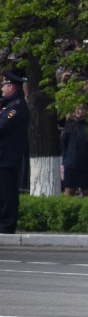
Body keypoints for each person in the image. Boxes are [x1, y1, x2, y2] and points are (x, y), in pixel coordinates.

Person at [0, 71, 29, 233]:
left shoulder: (16, 107)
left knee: (7, 193)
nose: (2, 89)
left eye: (4, 85)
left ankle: (6, 225)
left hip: (7, 156)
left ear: (11, 87)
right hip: (3, 156)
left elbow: (2, 127)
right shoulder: (8, 105)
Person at [60, 103, 88, 197]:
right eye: (76, 109)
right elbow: (64, 142)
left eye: (81, 109)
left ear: (87, 111)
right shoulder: (70, 124)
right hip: (71, 163)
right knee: (69, 191)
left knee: (87, 192)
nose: (78, 111)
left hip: (87, 164)